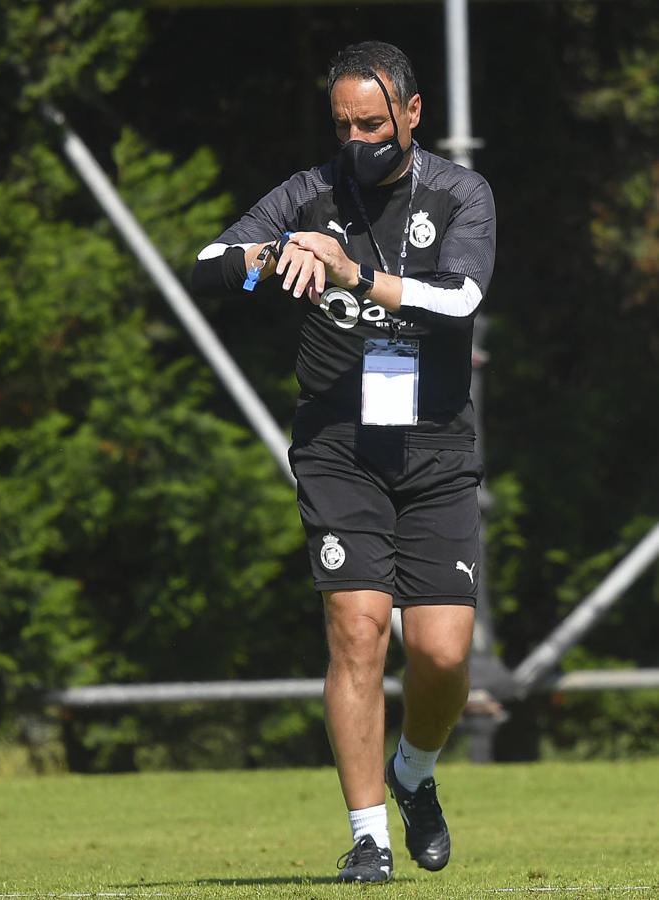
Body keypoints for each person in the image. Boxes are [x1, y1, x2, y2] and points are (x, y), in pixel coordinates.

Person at [192, 40, 496, 884]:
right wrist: (278, 256)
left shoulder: (461, 193)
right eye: (344, 125)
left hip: (433, 440)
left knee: (438, 653)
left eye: (373, 123)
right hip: (338, 442)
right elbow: (210, 266)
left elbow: (459, 299)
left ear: (411, 113)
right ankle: (369, 837)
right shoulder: (307, 194)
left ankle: (415, 774)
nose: (358, 140)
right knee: (357, 629)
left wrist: (354, 273)